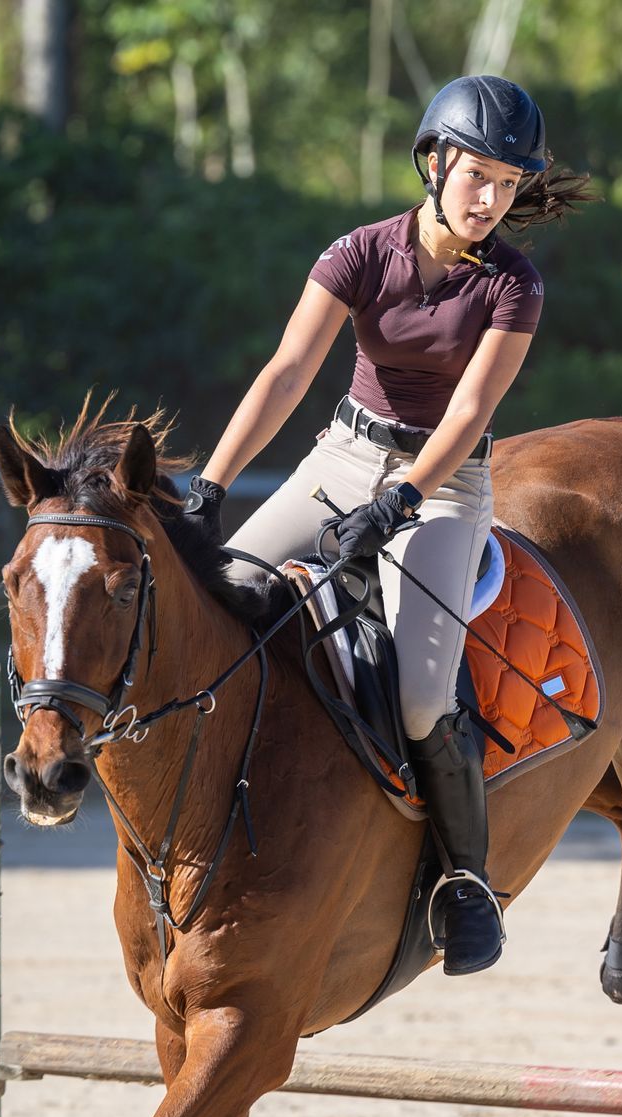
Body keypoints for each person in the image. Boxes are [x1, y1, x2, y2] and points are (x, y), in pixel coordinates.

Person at [181, 75, 585, 977]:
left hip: (442, 488)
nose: (491, 201)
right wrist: (212, 482)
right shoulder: (360, 253)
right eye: (478, 176)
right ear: (433, 162)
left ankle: (465, 880)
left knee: (416, 694)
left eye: (509, 185)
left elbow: (472, 410)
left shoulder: (515, 285)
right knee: (230, 595)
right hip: (338, 460)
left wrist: (404, 500)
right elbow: (288, 371)